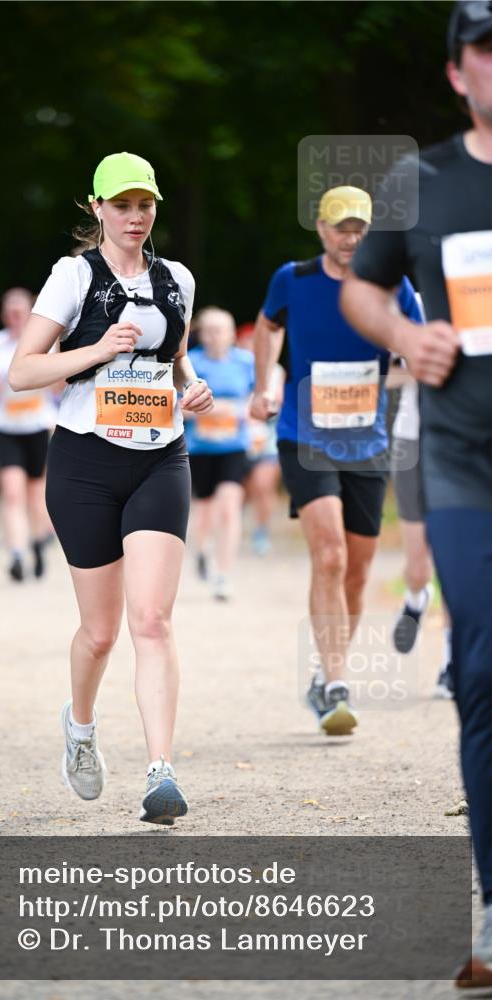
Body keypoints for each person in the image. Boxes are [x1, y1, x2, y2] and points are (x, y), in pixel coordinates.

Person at [341, 2, 492, 985]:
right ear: (457, 71)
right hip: (465, 461)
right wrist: (406, 336)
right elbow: (361, 285)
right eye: (488, 52)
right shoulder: (420, 179)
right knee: (482, 673)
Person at [8, 152, 213, 824]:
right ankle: (82, 727)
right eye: (121, 205)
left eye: (144, 205)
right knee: (99, 633)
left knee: (150, 620)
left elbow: (172, 362)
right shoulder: (73, 276)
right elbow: (23, 371)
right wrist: (95, 351)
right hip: (85, 464)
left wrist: (192, 388)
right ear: (95, 208)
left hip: (161, 458)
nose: (134, 216)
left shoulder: (175, 277)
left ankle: (160, 772)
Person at [251, 186, 423, 736]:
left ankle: (324, 680)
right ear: (322, 230)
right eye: (340, 227)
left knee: (357, 572)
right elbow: (267, 325)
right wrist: (262, 385)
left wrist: (400, 360)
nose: (351, 237)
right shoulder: (293, 280)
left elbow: (418, 347)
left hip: (369, 442)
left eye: (360, 228)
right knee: (328, 555)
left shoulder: (391, 287)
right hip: (305, 435)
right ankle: (337, 681)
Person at [0, 287, 57, 582]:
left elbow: (61, 382)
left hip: (38, 426)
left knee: (37, 496)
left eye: (20, 311)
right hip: (5, 427)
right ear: (3, 314)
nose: (15, 316)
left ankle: (38, 543)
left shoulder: (45, 343)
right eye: (10, 311)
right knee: (11, 493)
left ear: (31, 313)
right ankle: (17, 554)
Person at [386, 355, 453, 698]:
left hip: (468, 444)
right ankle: (416, 598)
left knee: (459, 563)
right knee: (418, 568)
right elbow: (382, 375)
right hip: (411, 442)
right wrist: (422, 367)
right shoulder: (409, 308)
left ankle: (450, 664)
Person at [184, 307, 255, 599]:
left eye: (221, 330)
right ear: (201, 334)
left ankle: (224, 574)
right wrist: (203, 411)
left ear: (231, 333)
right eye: (209, 330)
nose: (215, 336)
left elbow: (259, 399)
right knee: (204, 509)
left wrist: (238, 410)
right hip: (199, 447)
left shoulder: (246, 362)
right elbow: (176, 406)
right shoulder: (190, 362)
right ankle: (201, 549)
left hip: (233, 447)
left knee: (229, 507)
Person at [237, 322, 284, 556]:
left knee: (264, 486)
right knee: (242, 489)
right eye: (248, 342)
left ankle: (261, 532)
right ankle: (234, 528)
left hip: (266, 438)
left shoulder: (276, 371)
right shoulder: (232, 367)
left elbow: (278, 402)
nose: (252, 347)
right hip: (236, 438)